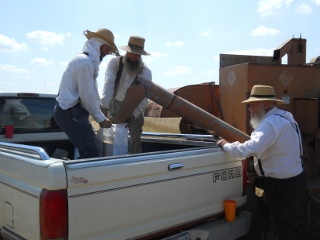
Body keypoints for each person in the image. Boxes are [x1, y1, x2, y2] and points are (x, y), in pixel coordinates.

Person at [217, 85, 306, 240]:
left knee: (286, 226)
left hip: (281, 185)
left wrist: (226, 145)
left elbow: (249, 149)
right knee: (289, 224)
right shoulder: (285, 116)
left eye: (252, 104)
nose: (249, 108)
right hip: (293, 180)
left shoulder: (269, 123)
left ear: (266, 104)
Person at [54, 28, 117, 159]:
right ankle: (75, 178)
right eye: (107, 49)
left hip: (72, 111)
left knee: (91, 146)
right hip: (69, 112)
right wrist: (100, 118)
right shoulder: (85, 63)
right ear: (100, 45)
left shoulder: (84, 60)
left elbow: (90, 93)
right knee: (90, 152)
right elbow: (87, 95)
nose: (107, 53)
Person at [101, 35, 152, 154]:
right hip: (115, 105)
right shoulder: (115, 63)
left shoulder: (145, 71)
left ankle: (135, 164)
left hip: (135, 107)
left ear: (141, 55)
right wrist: (104, 107)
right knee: (111, 138)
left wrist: (134, 115)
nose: (133, 57)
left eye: (137, 54)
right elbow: (108, 85)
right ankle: (112, 162)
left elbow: (145, 97)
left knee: (135, 139)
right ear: (126, 51)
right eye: (131, 53)